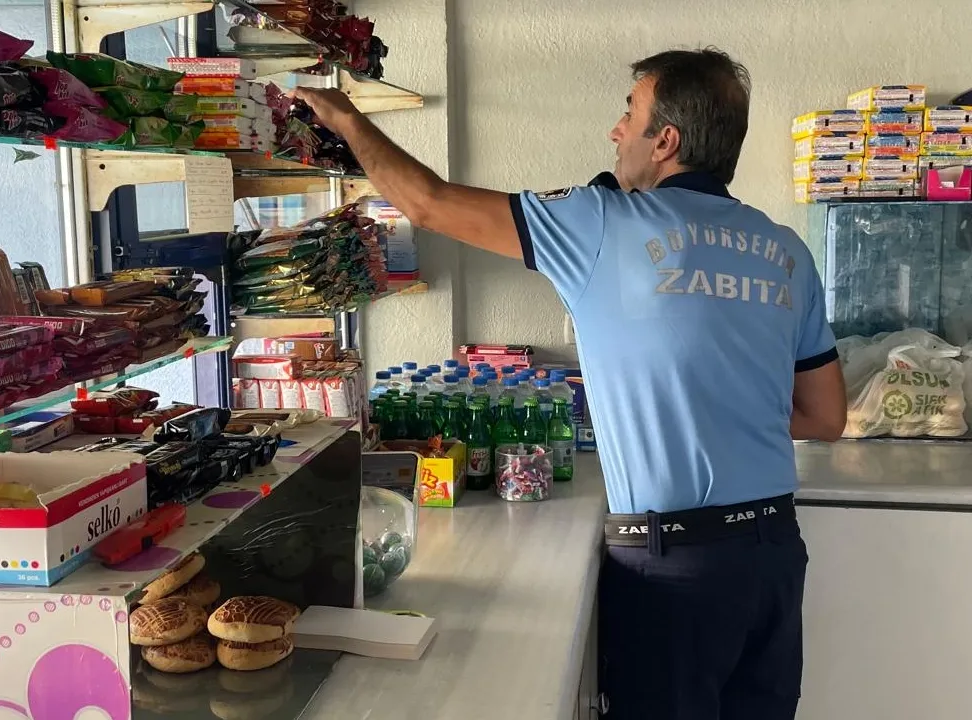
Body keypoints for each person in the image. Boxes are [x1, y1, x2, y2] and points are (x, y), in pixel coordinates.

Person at [295, 47, 847, 720]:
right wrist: (721, 406)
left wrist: (347, 120)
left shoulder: (603, 221)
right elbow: (825, 417)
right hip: (774, 556)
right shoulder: (787, 250)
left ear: (666, 141)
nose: (616, 131)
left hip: (675, 567)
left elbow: (429, 204)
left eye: (629, 115)